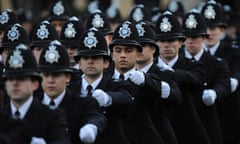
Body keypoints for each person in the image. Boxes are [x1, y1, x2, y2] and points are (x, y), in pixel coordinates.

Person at [70, 28, 136, 144]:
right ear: (79, 64)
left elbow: (125, 97)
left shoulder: (116, 85)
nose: (90, 61)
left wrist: (108, 98)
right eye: (85, 58)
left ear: (106, 63)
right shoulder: (70, 90)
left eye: (95, 57)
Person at [154, 11, 211, 144]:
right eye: (162, 41)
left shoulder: (193, 65)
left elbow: (195, 79)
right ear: (156, 43)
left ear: (180, 42)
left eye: (171, 40)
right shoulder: (150, 68)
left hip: (187, 132)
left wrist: (169, 73)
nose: (167, 45)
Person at [36, 40, 107, 144]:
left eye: (56, 75)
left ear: (67, 77)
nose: (50, 80)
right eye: (46, 75)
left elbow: (96, 117)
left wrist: (91, 127)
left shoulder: (82, 103)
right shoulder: (33, 104)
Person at [107, 20, 164, 144]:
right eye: (118, 50)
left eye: (128, 50)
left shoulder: (149, 80)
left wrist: (146, 82)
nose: (122, 55)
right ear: (112, 54)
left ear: (138, 54)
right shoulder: (104, 80)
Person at [2, 44, 71, 144]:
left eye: (22, 78)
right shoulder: (3, 115)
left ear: (35, 84)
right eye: (10, 79)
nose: (15, 83)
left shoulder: (52, 116)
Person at [181, 9, 231, 144]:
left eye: (195, 37)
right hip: (180, 124)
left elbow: (224, 83)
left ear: (204, 37)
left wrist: (215, 93)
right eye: (186, 37)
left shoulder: (216, 63)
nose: (190, 41)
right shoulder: (177, 62)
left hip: (206, 120)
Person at [135, 20, 181, 144]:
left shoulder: (163, 73)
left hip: (159, 134)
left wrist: (151, 83)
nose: (138, 50)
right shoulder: (124, 73)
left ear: (153, 49)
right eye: (135, 47)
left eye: (143, 46)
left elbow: (176, 96)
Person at [201, 1, 240, 143]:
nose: (209, 33)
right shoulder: (193, 55)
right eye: (205, 28)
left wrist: (225, 85)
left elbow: (235, 76)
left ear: (222, 29)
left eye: (213, 28)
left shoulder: (232, 51)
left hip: (226, 112)